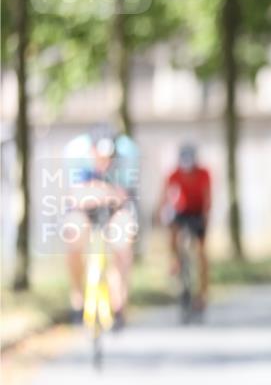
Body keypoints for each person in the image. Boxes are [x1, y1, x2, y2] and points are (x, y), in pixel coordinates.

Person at [62, 126, 140, 329]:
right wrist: (106, 192)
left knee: (124, 237)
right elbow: (74, 197)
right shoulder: (76, 156)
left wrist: (97, 192)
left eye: (109, 156)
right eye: (100, 155)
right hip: (85, 209)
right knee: (73, 232)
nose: (105, 161)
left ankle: (119, 301)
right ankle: (77, 297)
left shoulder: (126, 157)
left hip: (114, 210)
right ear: (92, 151)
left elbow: (124, 197)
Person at [159, 143, 212, 312]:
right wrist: (161, 212)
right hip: (181, 211)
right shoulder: (174, 174)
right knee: (173, 232)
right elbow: (165, 196)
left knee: (202, 253)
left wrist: (205, 217)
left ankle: (202, 294)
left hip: (198, 212)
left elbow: (208, 197)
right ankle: (175, 260)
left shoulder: (204, 174)